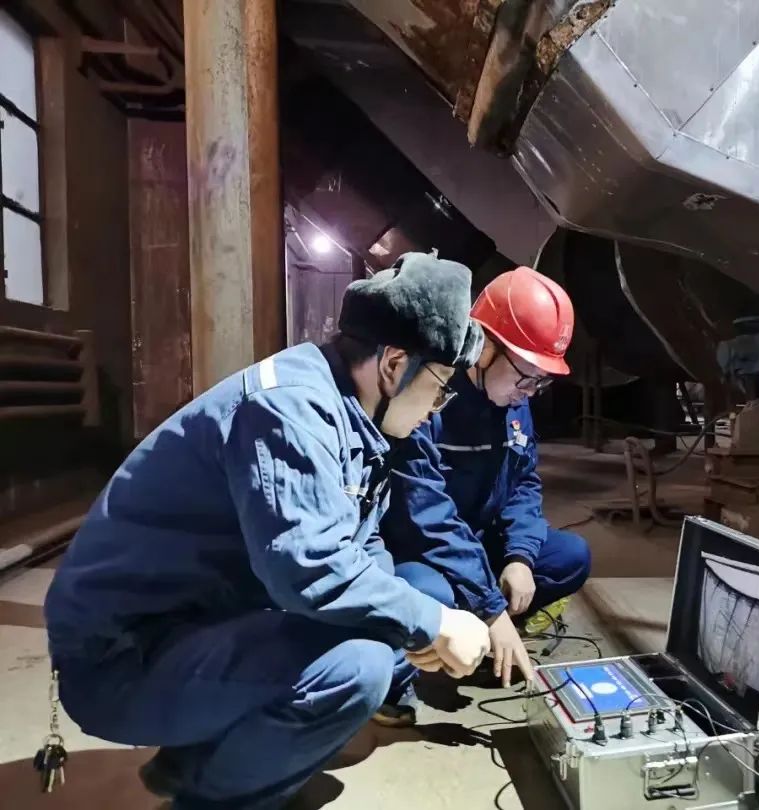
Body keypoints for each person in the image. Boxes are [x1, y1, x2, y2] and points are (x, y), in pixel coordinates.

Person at [43, 252, 493, 810]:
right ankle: (211, 799)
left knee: (407, 608)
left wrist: (417, 621)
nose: (438, 408)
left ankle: (193, 761)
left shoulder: (348, 410)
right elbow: (308, 570)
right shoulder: (289, 409)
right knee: (362, 665)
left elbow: (361, 544)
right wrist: (433, 624)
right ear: (394, 364)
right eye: (442, 387)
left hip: (193, 623)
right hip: (120, 657)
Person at [377, 266, 591, 725]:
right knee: (427, 592)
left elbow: (524, 482)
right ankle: (391, 680)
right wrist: (491, 609)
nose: (529, 391)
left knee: (570, 555)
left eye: (540, 381)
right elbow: (427, 518)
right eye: (526, 376)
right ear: (484, 347)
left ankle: (483, 634)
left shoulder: (515, 400)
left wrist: (520, 557)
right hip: (421, 550)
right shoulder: (428, 396)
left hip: (476, 538)